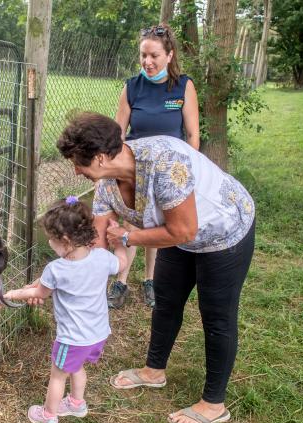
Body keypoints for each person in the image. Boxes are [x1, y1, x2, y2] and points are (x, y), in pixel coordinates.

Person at [57, 112, 255, 423]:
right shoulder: (106, 182)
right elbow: (96, 242)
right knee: (165, 301)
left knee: (217, 316)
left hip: (224, 230)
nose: (75, 170)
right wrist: (61, 278)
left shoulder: (165, 161)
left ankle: (214, 403)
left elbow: (184, 230)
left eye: (78, 162)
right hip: (175, 233)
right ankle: (154, 371)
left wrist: (129, 236)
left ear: (101, 157)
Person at [3, 197, 127, 423]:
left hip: (71, 338)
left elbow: (40, 292)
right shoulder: (101, 257)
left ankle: (48, 416)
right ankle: (77, 404)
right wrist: (119, 242)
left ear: (66, 241)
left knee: (58, 376)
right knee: (77, 367)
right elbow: (121, 264)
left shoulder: (56, 269)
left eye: (51, 239)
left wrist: (11, 294)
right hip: (98, 334)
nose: (49, 243)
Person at [110, 24, 200, 309]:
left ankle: (150, 280)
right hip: (134, 172)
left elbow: (193, 135)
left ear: (169, 55)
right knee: (131, 224)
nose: (147, 62)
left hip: (168, 174)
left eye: (154, 56)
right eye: (143, 55)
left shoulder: (183, 86)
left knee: (158, 226)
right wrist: (116, 169)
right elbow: (118, 134)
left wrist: (183, 172)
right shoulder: (131, 87)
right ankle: (120, 281)